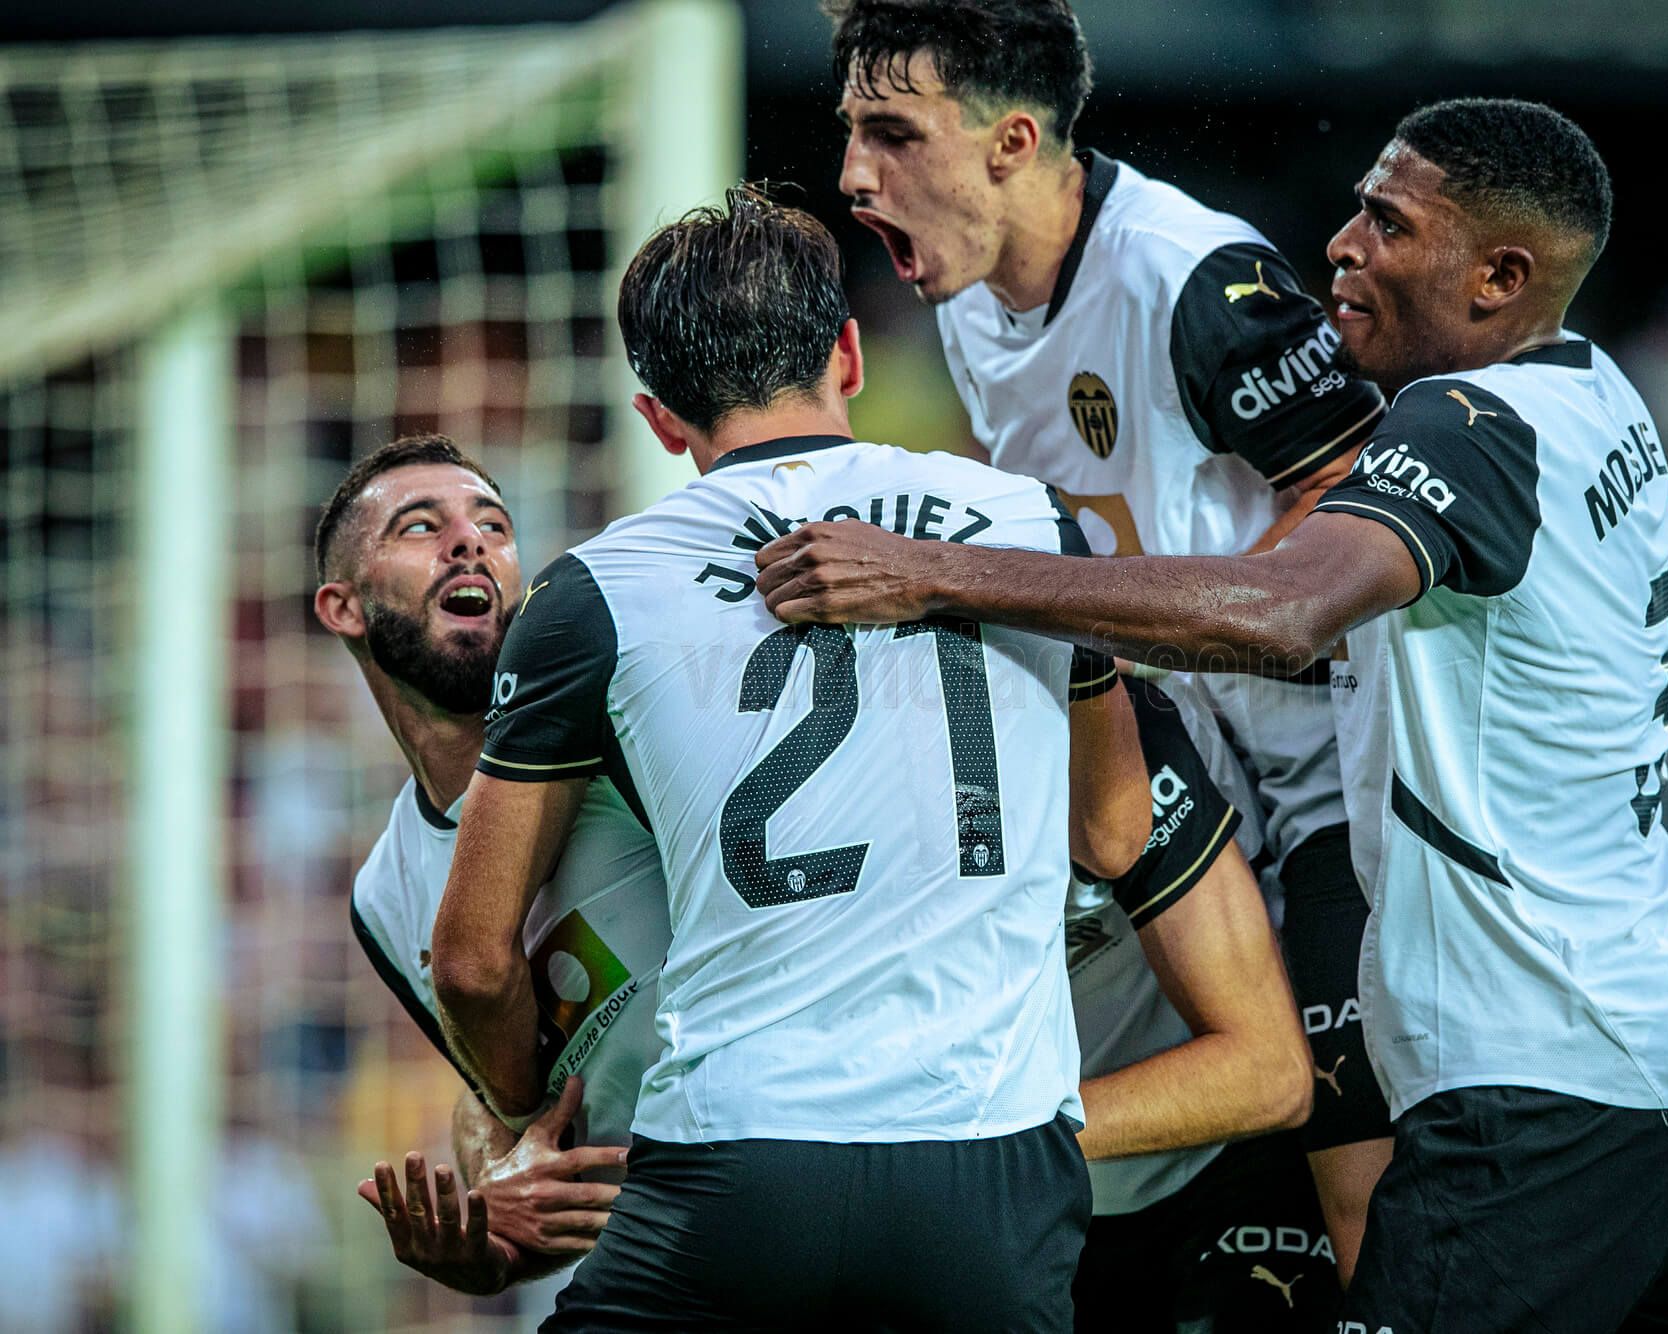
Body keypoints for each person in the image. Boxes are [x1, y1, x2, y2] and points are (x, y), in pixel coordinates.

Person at [755, 98, 1668, 1330]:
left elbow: (1279, 612)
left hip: (1539, 1075)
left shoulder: (1466, 425)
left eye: (1387, 224)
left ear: (1498, 277)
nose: (1340, 248)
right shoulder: (1602, 396)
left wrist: (935, 573)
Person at [429, 185, 1151, 1332]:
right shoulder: (1027, 523)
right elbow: (1113, 832)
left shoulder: (593, 590)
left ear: (657, 416)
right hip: (987, 1161)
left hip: (737, 1162)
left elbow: (470, 958)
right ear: (849, 354)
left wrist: (524, 1109)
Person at [825, 0, 1394, 1275]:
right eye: (848, 132)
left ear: (1011, 140)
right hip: (1181, 795)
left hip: (1328, 804)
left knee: (1368, 1228)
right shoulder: (967, 304)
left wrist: (1134, 633)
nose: (854, 175)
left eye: (890, 134)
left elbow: (1354, 513)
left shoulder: (1187, 276)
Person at [312, 434, 661, 1302]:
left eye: (494, 524)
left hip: (804, 1159)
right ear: (343, 608)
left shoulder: (630, 730)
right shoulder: (384, 898)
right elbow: (515, 1113)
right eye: (420, 526)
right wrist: (488, 1236)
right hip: (665, 1247)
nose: (470, 542)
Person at [1066, 674, 1334, 1329]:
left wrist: (990, 1135)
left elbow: (1270, 1075)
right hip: (1044, 1195)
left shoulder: (1150, 721)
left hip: (1220, 1163)